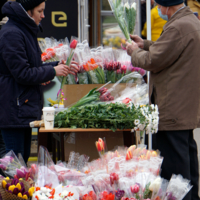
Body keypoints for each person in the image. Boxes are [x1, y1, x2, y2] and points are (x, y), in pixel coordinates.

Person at [125, 0, 200, 200]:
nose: (157, 9)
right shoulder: (189, 21)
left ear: (168, 6)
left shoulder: (178, 26)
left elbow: (153, 61)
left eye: (159, 5)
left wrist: (135, 52)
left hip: (172, 105)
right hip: (184, 105)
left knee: (175, 168)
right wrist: (145, 44)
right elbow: (168, 50)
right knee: (187, 158)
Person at [0, 0, 78, 164]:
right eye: (40, 11)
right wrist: (52, 71)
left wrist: (55, 65)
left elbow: (32, 67)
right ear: (27, 11)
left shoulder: (23, 30)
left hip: (22, 108)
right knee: (15, 166)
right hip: (14, 109)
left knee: (22, 162)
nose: (43, 15)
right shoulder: (12, 34)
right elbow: (22, 73)